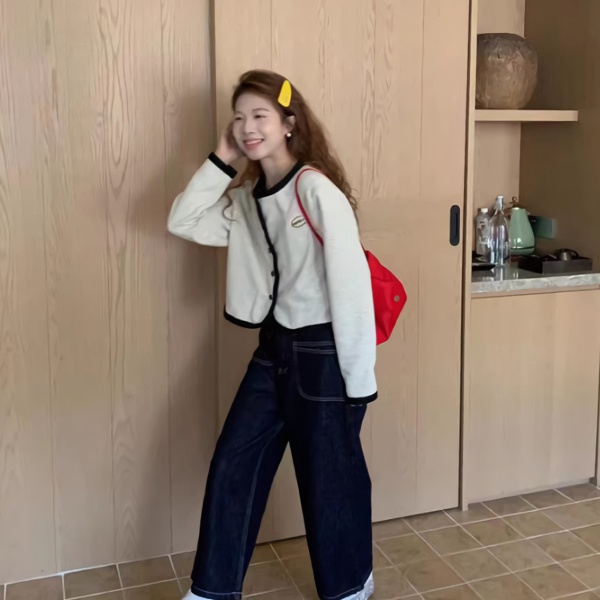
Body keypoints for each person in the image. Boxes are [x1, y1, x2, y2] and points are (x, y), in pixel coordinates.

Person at [168, 69, 377, 600]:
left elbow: (352, 288)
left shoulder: (315, 189)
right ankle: (213, 589)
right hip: (274, 349)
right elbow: (183, 221)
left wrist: (359, 383)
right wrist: (222, 156)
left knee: (330, 478)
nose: (247, 127)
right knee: (233, 464)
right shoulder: (245, 199)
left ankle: (350, 586)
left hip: (323, 351)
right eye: (238, 118)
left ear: (289, 122)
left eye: (259, 115)